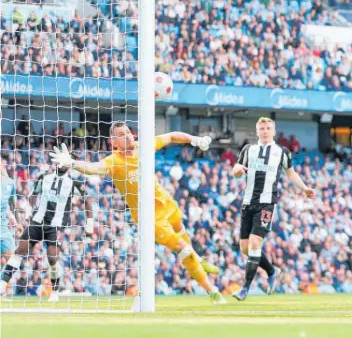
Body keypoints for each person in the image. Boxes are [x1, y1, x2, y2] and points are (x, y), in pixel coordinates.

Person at [48, 122, 227, 304]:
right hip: (148, 216)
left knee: (180, 228)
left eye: (128, 132)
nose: (127, 136)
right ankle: (211, 290)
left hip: (163, 200)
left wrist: (195, 140)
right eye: (121, 134)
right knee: (183, 249)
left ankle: (198, 259)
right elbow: (94, 168)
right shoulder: (114, 161)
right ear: (113, 142)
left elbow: (171, 136)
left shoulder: (144, 146)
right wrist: (72, 163)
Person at [231, 117, 315, 301]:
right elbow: (237, 168)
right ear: (257, 131)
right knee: (245, 248)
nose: (265, 131)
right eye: (262, 128)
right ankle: (271, 270)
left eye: (269, 128)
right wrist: (237, 171)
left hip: (267, 203)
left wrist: (305, 188)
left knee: (254, 244)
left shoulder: (282, 152)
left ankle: (245, 288)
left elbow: (290, 173)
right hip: (248, 203)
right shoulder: (248, 149)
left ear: (274, 131)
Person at [0, 155, 88, 302]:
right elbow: (33, 195)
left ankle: (55, 290)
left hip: (54, 226)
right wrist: (29, 211)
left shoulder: (73, 184)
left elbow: (88, 200)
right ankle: (2, 286)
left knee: (52, 259)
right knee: (19, 251)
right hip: (37, 221)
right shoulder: (44, 178)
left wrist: (89, 223)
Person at [0, 159, 18, 261]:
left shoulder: (9, 183)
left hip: (2, 230)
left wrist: (17, 223)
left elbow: (11, 206)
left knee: (13, 262)